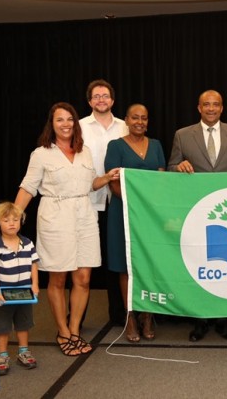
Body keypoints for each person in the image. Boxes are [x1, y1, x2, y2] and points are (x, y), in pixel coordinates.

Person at [15, 102, 120, 356]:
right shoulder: (41, 154)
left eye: (70, 119)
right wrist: (14, 217)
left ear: (75, 123)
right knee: (58, 278)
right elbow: (28, 187)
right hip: (55, 217)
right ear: (51, 124)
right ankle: (62, 331)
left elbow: (90, 184)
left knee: (83, 278)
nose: (65, 124)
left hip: (85, 216)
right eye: (60, 120)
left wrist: (106, 178)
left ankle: (74, 330)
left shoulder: (84, 152)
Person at [168, 89, 227, 342]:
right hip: (196, 213)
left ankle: (223, 321)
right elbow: (171, 166)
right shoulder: (182, 135)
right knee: (200, 266)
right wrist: (178, 167)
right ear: (199, 108)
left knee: (225, 267)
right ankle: (200, 321)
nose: (211, 108)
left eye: (215, 104)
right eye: (206, 104)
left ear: (222, 108)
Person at [104, 104, 166, 342]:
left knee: (150, 264)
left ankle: (147, 316)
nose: (140, 122)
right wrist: (135, 205)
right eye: (135, 117)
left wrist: (150, 207)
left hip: (151, 214)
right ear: (127, 120)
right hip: (123, 212)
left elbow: (161, 179)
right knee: (126, 266)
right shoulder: (115, 146)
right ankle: (130, 316)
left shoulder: (156, 145)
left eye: (144, 118)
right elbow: (113, 182)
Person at [80, 79, 128, 327]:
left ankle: (119, 315)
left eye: (105, 96)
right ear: (90, 101)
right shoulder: (79, 127)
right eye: (96, 96)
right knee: (83, 263)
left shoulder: (125, 126)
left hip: (118, 199)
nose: (101, 100)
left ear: (112, 100)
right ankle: (77, 319)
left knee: (116, 258)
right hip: (89, 199)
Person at [0, 201, 39, 375]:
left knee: (23, 324)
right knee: (2, 326)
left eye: (15, 219)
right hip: (3, 293)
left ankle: (23, 352)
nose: (12, 223)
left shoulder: (28, 243)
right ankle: (2, 356)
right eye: (6, 220)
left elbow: (34, 265)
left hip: (24, 292)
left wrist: (35, 284)